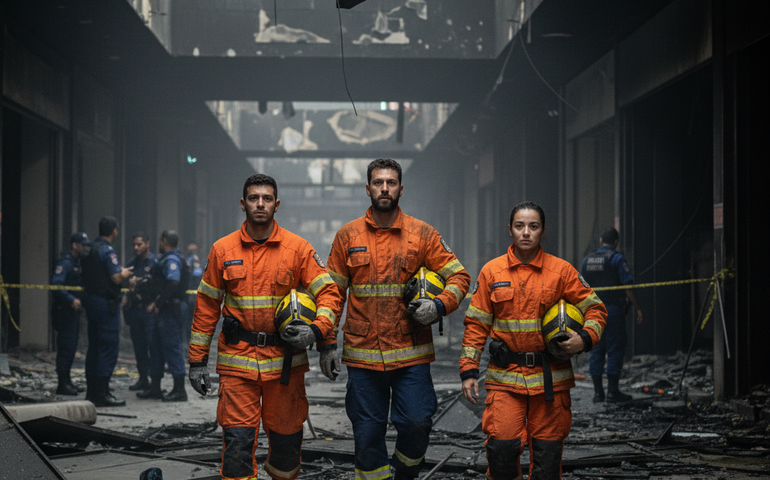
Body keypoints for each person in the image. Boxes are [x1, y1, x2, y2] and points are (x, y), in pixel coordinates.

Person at [187, 174, 343, 480]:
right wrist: (197, 362)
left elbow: (329, 293)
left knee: (286, 448)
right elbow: (206, 308)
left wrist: (322, 338)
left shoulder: (298, 249)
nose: (260, 204)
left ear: (277, 204)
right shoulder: (223, 250)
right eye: (254, 198)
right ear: (243, 203)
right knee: (237, 446)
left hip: (285, 365)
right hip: (237, 364)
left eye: (267, 198)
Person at [326, 158, 471, 480]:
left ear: (401, 188)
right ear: (368, 188)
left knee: (417, 422)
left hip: (411, 353)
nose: (384, 188)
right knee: (367, 433)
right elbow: (331, 295)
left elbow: (459, 277)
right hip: (363, 355)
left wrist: (439, 306)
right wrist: (326, 345)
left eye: (391, 183)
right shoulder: (347, 236)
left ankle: (405, 475)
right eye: (378, 182)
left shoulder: (423, 234)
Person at [460, 201, 607, 480]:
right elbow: (476, 324)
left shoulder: (561, 271)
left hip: (551, 379)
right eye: (519, 226)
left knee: (547, 461)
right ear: (510, 230)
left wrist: (584, 339)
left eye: (533, 226)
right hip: (505, 379)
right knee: (501, 450)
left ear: (543, 231)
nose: (526, 232)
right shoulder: (492, 272)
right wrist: (468, 370)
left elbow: (596, 309)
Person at [581, 227, 643, 403]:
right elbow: (628, 288)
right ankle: (613, 392)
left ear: (600, 240)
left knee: (596, 350)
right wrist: (638, 308)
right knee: (615, 349)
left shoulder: (587, 260)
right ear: (615, 242)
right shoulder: (616, 259)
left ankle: (597, 393)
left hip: (593, 311)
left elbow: (580, 288)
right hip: (613, 311)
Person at [81, 216, 133, 407]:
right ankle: (102, 393)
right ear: (114, 231)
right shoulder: (107, 251)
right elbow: (116, 278)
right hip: (105, 303)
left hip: (91, 300)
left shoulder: (90, 249)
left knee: (94, 347)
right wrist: (125, 273)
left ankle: (91, 392)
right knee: (108, 347)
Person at [138, 230, 189, 402]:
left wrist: (158, 303)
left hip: (169, 310)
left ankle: (179, 389)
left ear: (163, 241)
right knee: (157, 347)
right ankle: (155, 388)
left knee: (172, 347)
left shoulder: (172, 259)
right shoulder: (167, 258)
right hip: (165, 310)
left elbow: (173, 282)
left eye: (160, 240)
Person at [51, 232, 89, 396]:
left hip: (73, 313)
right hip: (64, 311)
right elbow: (56, 285)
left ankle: (67, 381)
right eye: (82, 244)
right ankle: (62, 384)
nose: (84, 248)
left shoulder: (77, 263)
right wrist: (71, 299)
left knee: (71, 347)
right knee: (66, 347)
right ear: (74, 245)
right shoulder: (65, 263)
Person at [123, 232, 156, 392]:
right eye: (134, 245)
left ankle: (154, 382)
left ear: (147, 244)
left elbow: (157, 284)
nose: (136, 248)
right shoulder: (132, 263)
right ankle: (143, 379)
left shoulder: (155, 263)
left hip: (149, 310)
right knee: (139, 347)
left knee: (152, 346)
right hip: (135, 310)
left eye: (139, 244)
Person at [182, 242, 203, 349]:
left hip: (192, 297)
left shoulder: (194, 260)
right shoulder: (188, 259)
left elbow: (197, 274)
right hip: (189, 296)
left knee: (190, 322)